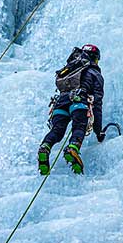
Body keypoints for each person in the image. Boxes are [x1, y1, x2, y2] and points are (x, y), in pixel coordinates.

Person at [38, 44, 105, 176]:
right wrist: (98, 132)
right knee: (79, 126)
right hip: (79, 101)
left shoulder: (70, 69)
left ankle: (45, 146)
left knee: (57, 130)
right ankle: (73, 147)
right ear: (95, 58)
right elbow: (97, 103)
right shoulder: (94, 73)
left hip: (60, 103)